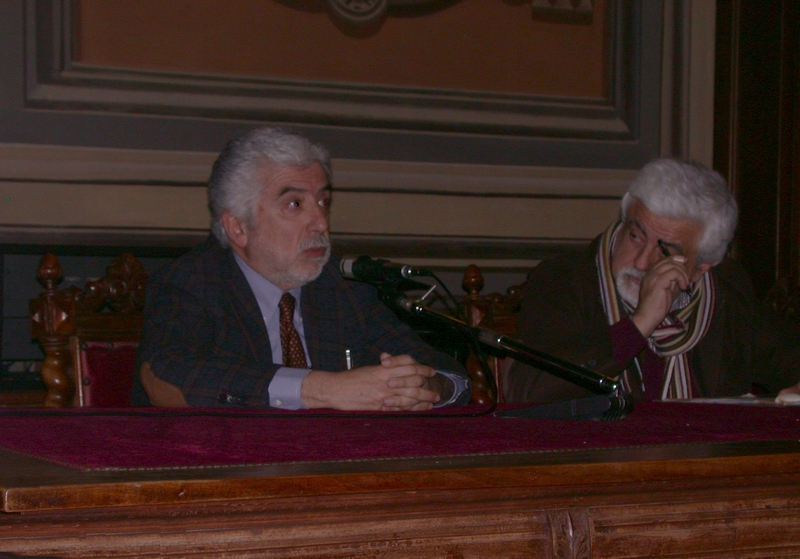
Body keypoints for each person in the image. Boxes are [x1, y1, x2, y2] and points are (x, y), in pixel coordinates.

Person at [134, 127, 470, 410]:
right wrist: (324, 389)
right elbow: (168, 373)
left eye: (324, 201)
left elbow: (451, 375)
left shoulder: (343, 287)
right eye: (295, 204)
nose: (321, 222)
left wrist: (426, 386)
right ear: (238, 227)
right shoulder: (191, 281)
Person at [505, 158, 800, 404]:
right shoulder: (565, 280)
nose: (642, 262)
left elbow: (787, 359)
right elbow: (530, 389)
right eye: (635, 236)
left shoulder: (725, 291)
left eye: (666, 252)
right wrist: (639, 324)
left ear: (700, 268)